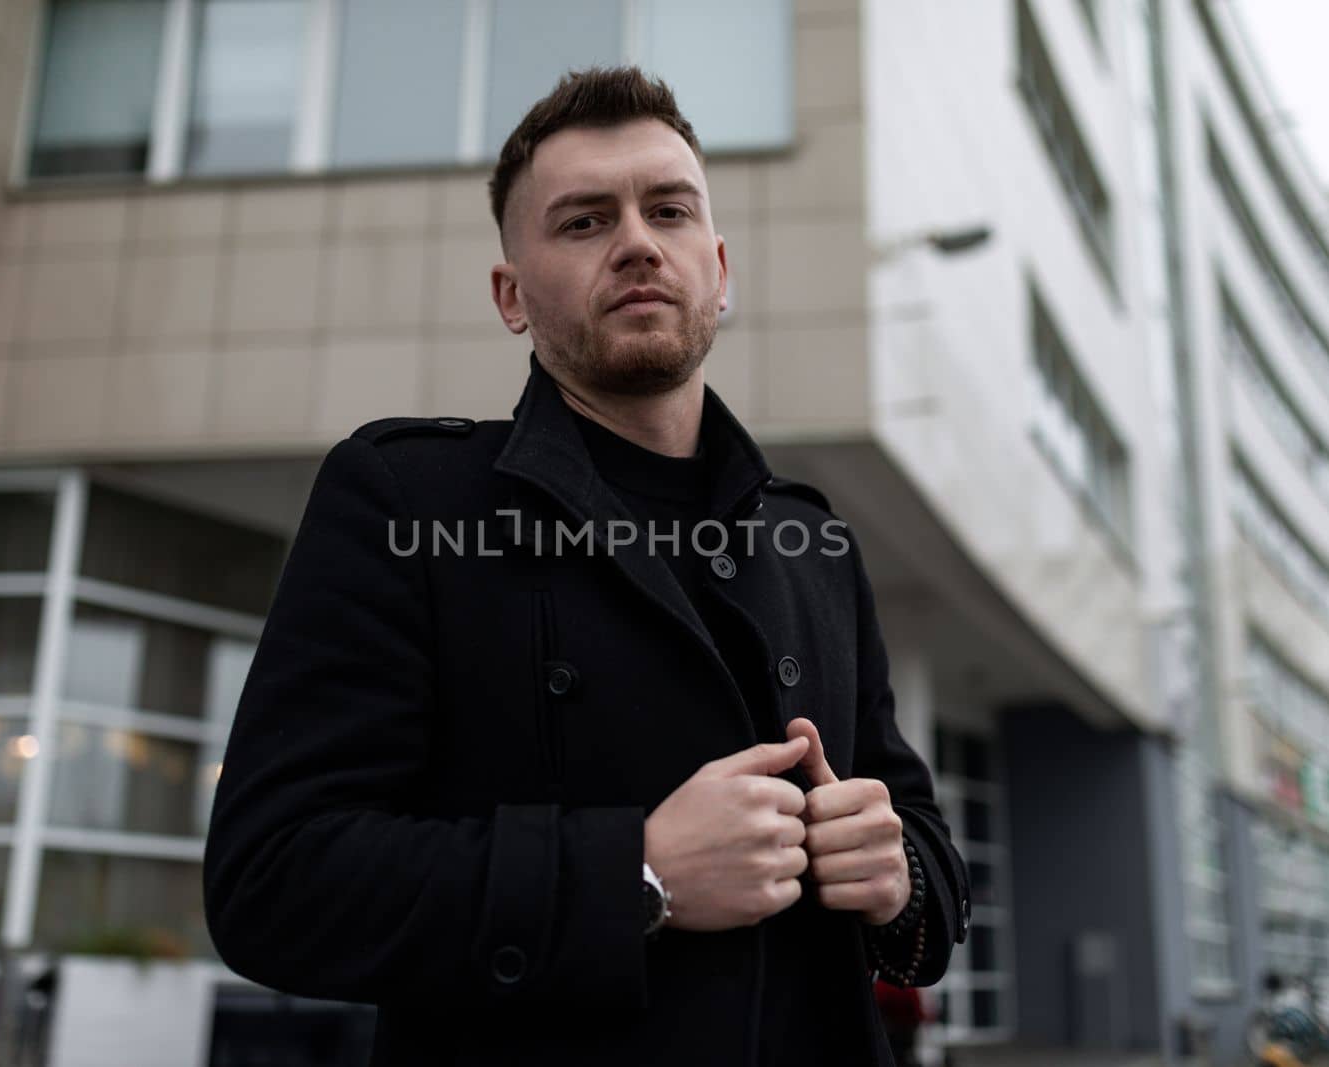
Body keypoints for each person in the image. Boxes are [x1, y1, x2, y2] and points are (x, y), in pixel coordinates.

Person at [203, 66, 970, 1067]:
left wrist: (898, 871)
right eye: (582, 222)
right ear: (510, 295)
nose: (639, 242)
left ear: (720, 267)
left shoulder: (811, 543)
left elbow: (927, 872)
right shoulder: (408, 499)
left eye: (668, 210)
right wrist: (634, 873)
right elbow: (275, 880)